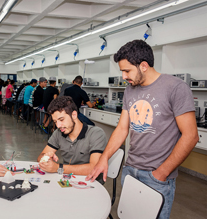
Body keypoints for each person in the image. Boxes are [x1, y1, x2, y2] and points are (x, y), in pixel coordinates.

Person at [86, 40, 199, 219]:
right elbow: (122, 129)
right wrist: (104, 158)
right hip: (131, 169)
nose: (123, 76)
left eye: (127, 70)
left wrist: (161, 173)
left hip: (157, 176)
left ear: (144, 66)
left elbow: (191, 136)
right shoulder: (130, 90)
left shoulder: (176, 87)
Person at [37, 96, 106, 175]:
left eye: (61, 119)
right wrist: (46, 157)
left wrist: (58, 168)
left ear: (74, 115)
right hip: (67, 180)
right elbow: (39, 158)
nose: (58, 125)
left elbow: (94, 168)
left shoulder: (96, 133)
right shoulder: (58, 133)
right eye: (55, 122)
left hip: (90, 182)